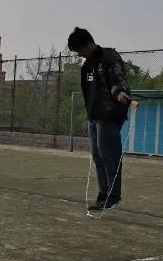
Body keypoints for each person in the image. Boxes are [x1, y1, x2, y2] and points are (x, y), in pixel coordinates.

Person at [68, 27, 131, 211]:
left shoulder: (109, 57)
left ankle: (113, 195)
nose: (79, 54)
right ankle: (103, 193)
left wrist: (119, 92)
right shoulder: (86, 66)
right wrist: (89, 113)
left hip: (110, 114)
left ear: (89, 44)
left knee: (108, 155)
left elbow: (117, 79)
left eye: (80, 50)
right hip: (94, 115)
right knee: (97, 156)